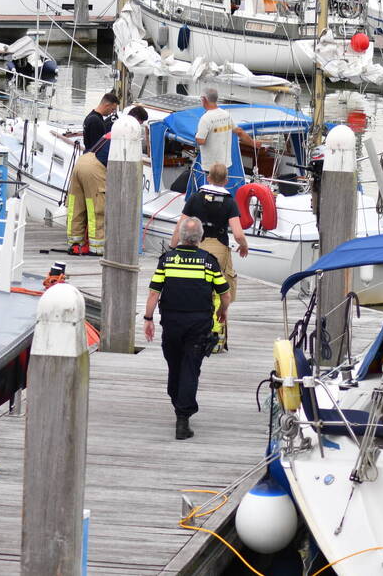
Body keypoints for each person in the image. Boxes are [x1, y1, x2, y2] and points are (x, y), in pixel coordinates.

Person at [144, 217, 231, 440]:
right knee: (190, 368)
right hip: (198, 324)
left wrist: (148, 318)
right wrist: (222, 310)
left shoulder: (167, 260)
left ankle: (178, 404)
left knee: (174, 366)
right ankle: (183, 418)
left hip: (171, 323)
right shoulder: (208, 262)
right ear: (200, 238)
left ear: (181, 236)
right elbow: (225, 293)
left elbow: (154, 292)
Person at [171, 162, 249, 352]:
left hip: (199, 246)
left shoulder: (195, 198)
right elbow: (238, 233)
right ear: (227, 181)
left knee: (198, 289)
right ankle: (216, 339)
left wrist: (172, 248)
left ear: (208, 178)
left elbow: (180, 227)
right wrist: (243, 245)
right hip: (219, 249)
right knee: (219, 291)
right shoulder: (229, 202)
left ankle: (195, 334)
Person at [67, 105, 148, 256]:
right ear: (137, 121)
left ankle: (74, 243)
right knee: (97, 208)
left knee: (76, 206)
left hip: (82, 162)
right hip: (95, 168)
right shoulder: (127, 133)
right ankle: (97, 248)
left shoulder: (114, 128)